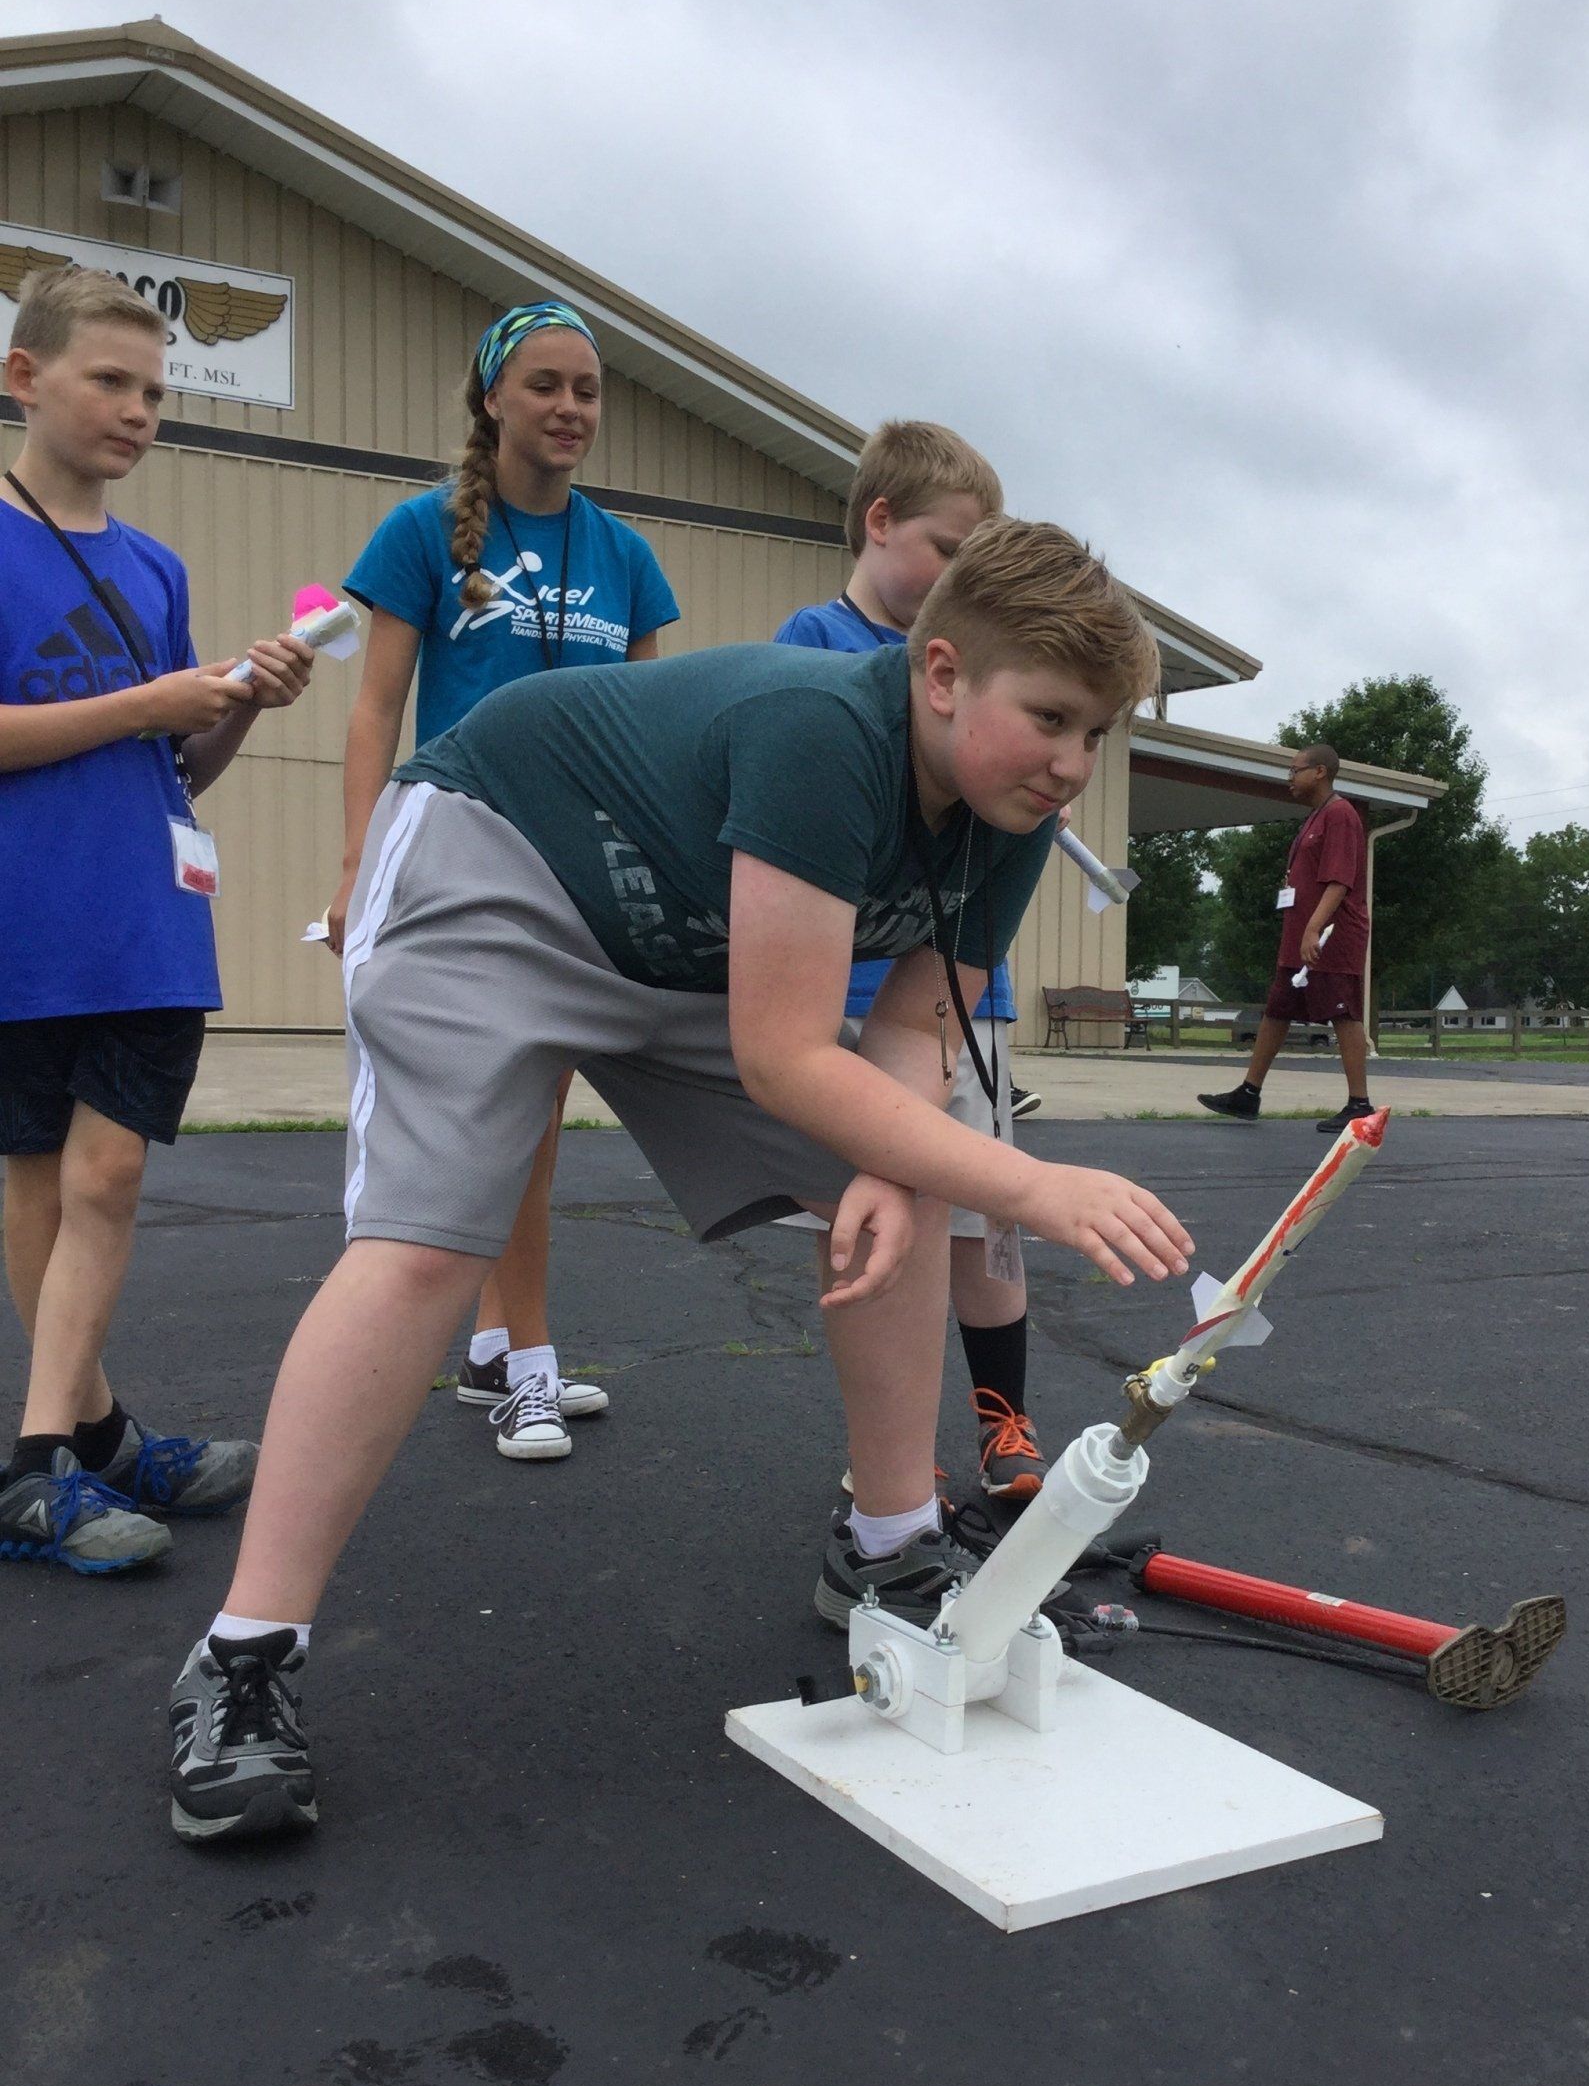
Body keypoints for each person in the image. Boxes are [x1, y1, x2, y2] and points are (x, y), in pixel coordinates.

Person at [165, 515, 1189, 1843]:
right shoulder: (824, 729)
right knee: (430, 1241)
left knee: (904, 1181)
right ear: (942, 675)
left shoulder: (1011, 816)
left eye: (1097, 735)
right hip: (501, 861)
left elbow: (919, 1030)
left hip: (677, 944)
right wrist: (1032, 1185)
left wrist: (901, 1153)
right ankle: (243, 1656)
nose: (1073, 763)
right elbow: (779, 1054)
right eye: (1051, 717)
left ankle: (886, 1547)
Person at [0, 266, 313, 1572]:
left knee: (107, 1174)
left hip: (143, 922)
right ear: (24, 378)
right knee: (33, 1182)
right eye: (110, 382)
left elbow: (173, 774)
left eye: (157, 390)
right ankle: (97, 1443)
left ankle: (43, 1463)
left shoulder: (158, 568)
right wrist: (145, 703)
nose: (140, 410)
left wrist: (233, 702)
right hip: (25, 922)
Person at [330, 302, 680, 1462]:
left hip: (579, 867)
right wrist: (358, 866)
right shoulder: (423, 534)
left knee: (541, 1116)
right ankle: (524, 1359)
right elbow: (376, 709)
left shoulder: (626, 557)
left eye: (586, 388)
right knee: (510, 1119)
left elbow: (651, 736)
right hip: (463, 860)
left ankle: (496, 1345)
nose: (571, 408)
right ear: (493, 397)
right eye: (546, 385)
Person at [776, 421, 1048, 1504]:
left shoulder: (981, 670)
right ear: (878, 523)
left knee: (983, 1224)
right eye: (947, 551)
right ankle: (893, 1450)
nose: (957, 582)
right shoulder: (815, 643)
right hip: (845, 997)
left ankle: (1004, 1414)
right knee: (880, 1229)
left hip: (960, 996)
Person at [1198, 744, 1375, 1135]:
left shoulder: (1341, 815)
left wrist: (1314, 928)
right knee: (1277, 1009)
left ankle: (1359, 1104)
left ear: (1320, 772)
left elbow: (1340, 881)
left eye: (1295, 770)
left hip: (1331, 936)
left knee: (1342, 1012)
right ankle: (1249, 1093)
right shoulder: (1314, 818)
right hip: (1299, 937)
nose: (1289, 778)